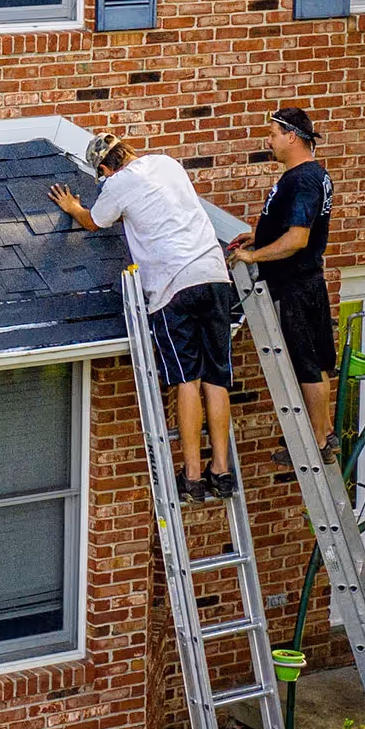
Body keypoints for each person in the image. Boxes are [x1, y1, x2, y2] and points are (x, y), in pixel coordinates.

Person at [50, 132, 239, 502]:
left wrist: (73, 206)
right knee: (216, 378)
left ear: (105, 167)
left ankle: (194, 476)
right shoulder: (167, 163)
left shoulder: (117, 185)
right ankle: (222, 469)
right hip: (215, 275)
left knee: (188, 380)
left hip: (173, 285)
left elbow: (95, 221)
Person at [226, 106, 336, 434]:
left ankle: (318, 437)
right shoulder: (313, 175)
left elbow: (298, 238)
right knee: (315, 363)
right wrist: (259, 234)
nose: (268, 140)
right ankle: (325, 432)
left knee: (307, 365)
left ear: (291, 137)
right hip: (305, 282)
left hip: (295, 286)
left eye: (273, 134)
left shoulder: (303, 180)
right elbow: (297, 227)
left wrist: (254, 256)